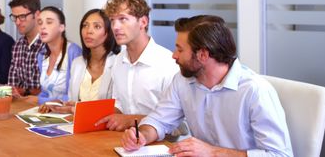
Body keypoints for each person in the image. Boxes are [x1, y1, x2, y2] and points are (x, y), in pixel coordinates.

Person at [121, 15, 293, 157]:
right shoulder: (182, 81)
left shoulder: (255, 91)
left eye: (180, 50)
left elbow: (279, 155)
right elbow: (159, 120)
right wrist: (141, 135)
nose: (174, 56)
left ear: (203, 54)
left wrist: (213, 152)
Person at [96, 0, 179, 131]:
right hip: (127, 141)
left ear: (143, 22)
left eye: (123, 19)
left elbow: (178, 123)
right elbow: (119, 105)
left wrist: (131, 120)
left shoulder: (168, 64)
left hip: (163, 145)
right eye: (112, 20)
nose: (115, 27)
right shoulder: (118, 61)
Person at [41, 8, 120, 114]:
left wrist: (75, 109)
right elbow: (73, 101)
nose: (88, 31)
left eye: (97, 26)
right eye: (85, 25)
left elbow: (119, 109)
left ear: (108, 32)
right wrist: (59, 103)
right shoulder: (78, 63)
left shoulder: (118, 64)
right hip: (77, 125)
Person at [34, 6, 82, 106]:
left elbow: (75, 95)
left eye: (49, 22)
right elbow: (45, 93)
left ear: (62, 27)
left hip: (68, 112)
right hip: (50, 111)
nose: (42, 27)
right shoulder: (41, 55)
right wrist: (40, 100)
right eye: (40, 23)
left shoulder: (74, 52)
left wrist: (39, 100)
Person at [7, 0, 45, 97]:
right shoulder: (17, 46)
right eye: (14, 17)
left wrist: (25, 91)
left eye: (22, 17)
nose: (17, 22)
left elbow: (52, 91)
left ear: (37, 15)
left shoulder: (48, 45)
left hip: (44, 108)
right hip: (20, 107)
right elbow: (12, 86)